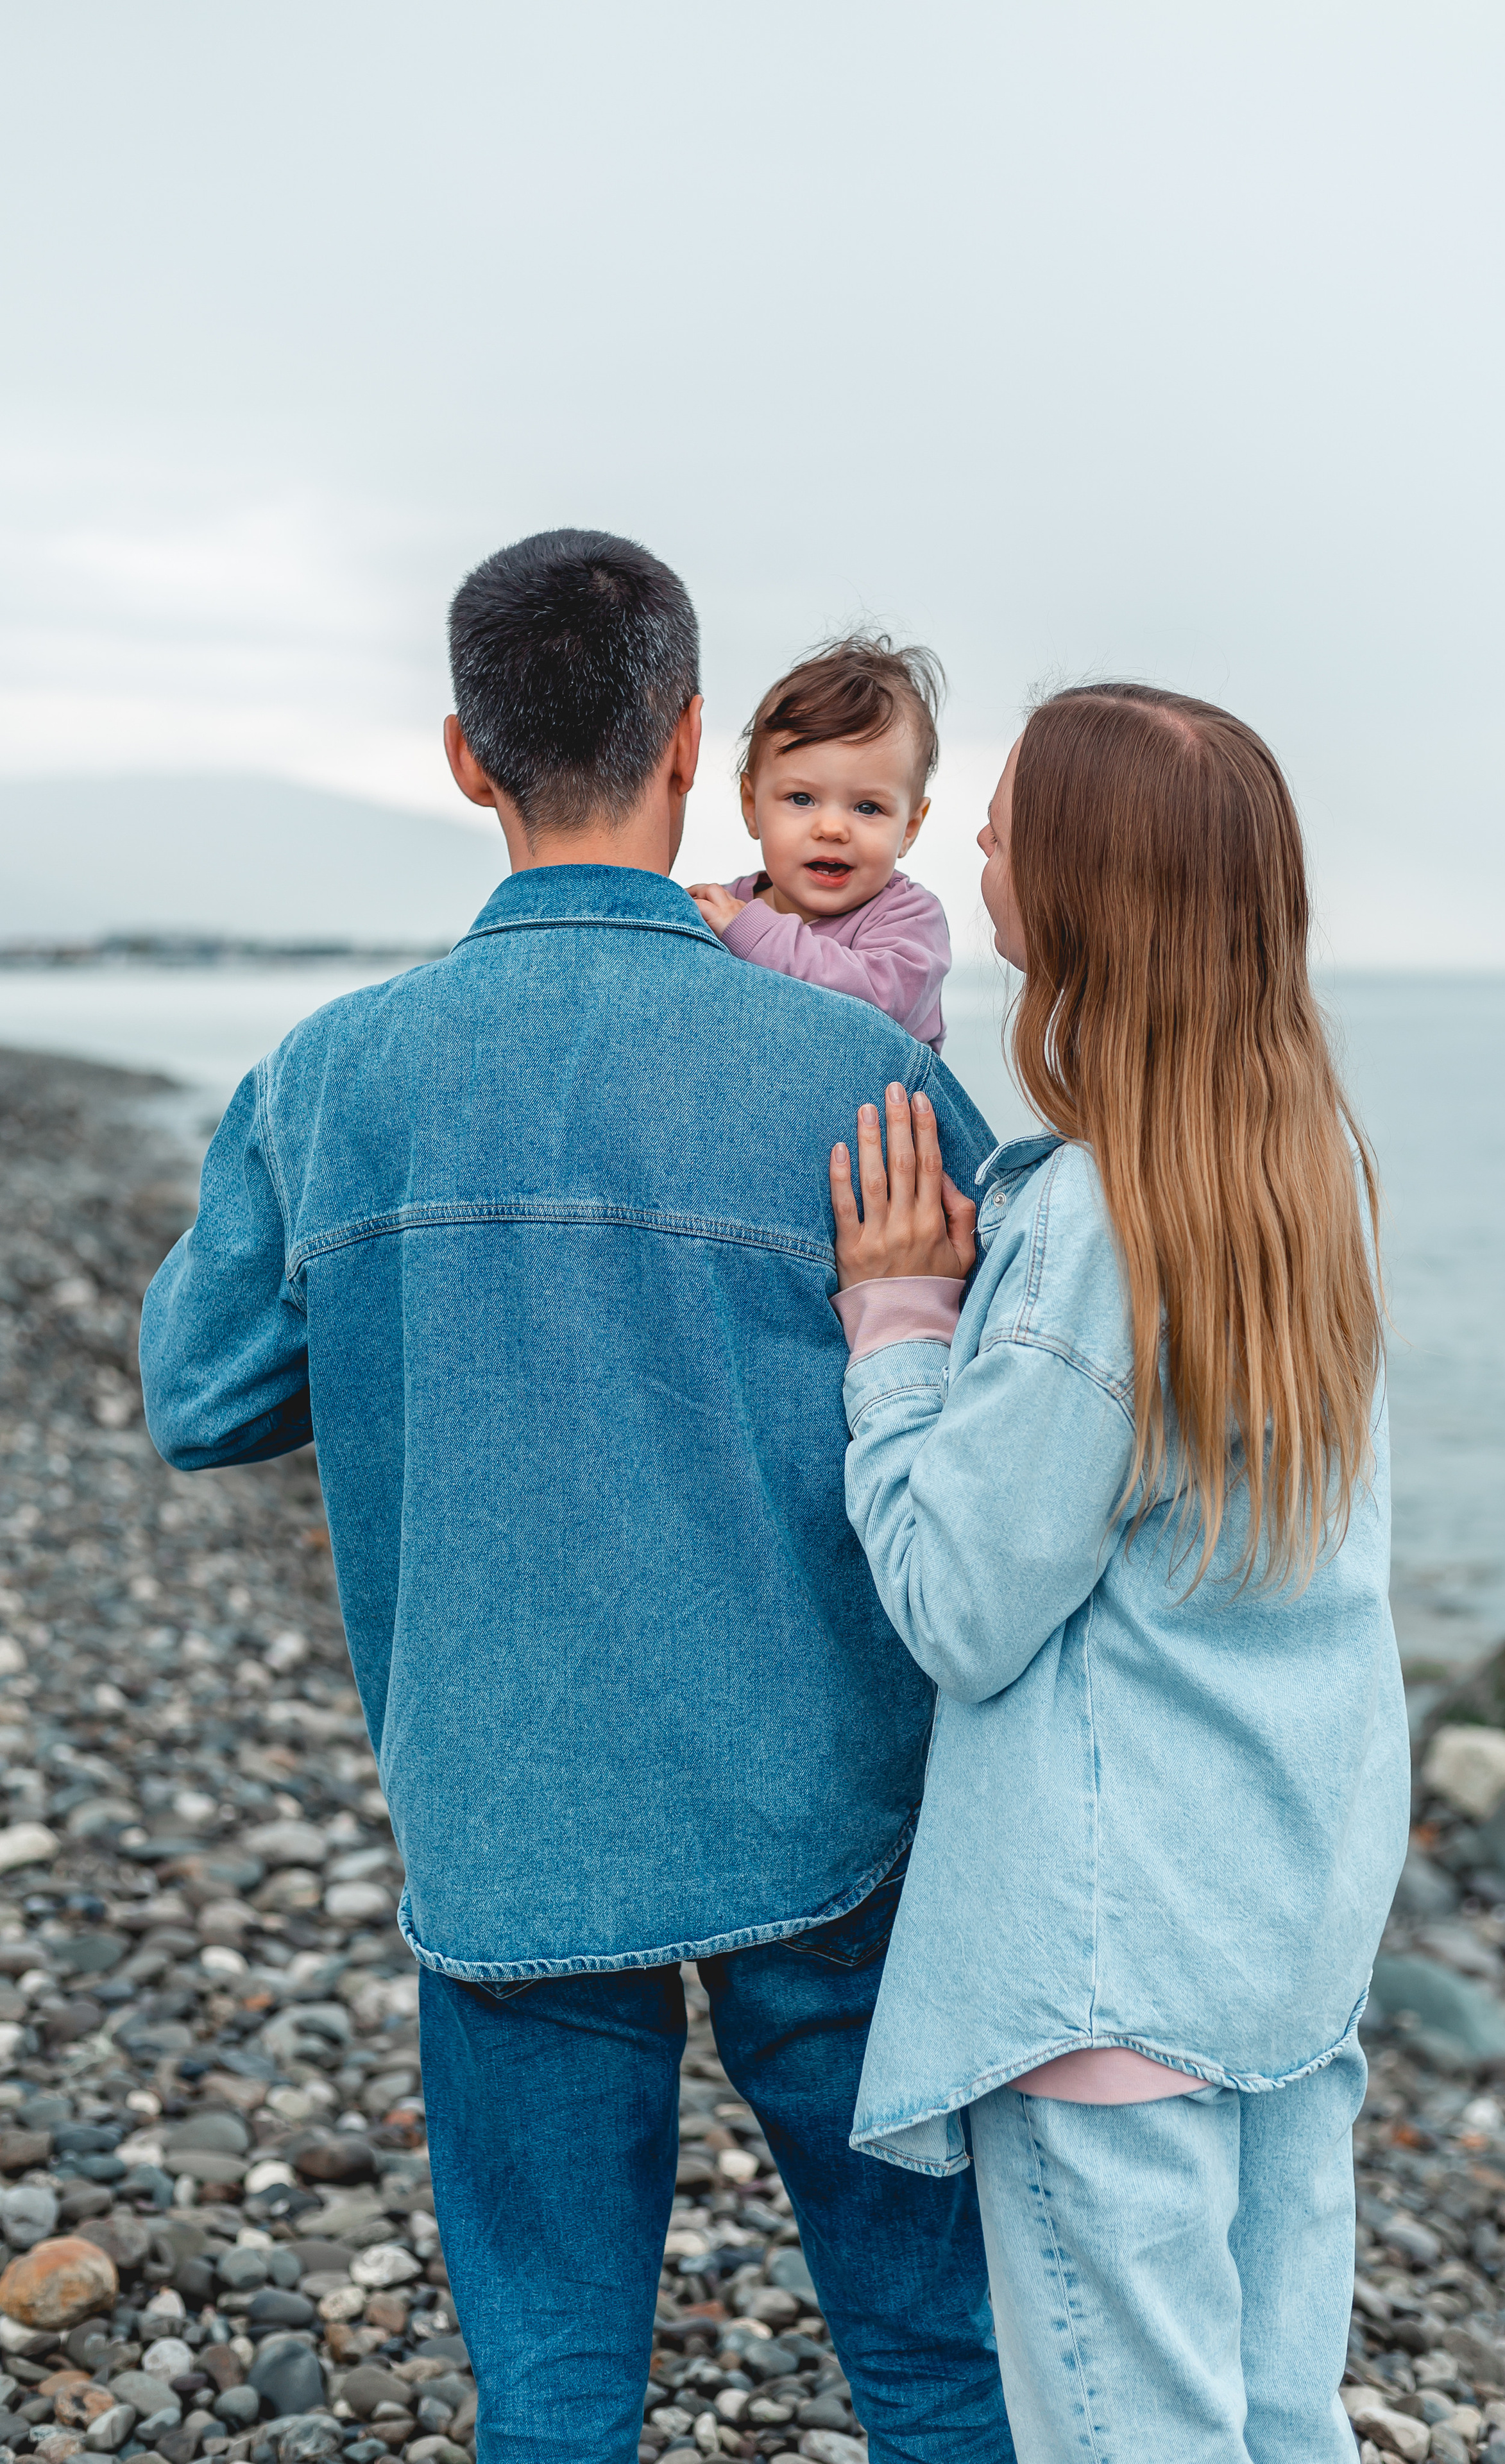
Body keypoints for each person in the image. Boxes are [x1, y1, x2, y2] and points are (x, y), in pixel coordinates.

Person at [138, 529, 1014, 2464]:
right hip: (830, 1802)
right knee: (938, 2363)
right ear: (695, 742)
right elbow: (1012, 1417)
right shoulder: (858, 1070)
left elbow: (201, 1396)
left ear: (464, 753)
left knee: (550, 2396)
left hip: (503, 1801)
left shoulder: (327, 1075)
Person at [822, 685, 1409, 2463]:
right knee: (1276, 2421)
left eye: (1002, 823)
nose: (972, 846)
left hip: (1111, 1963)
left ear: (1079, 891)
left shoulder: (1093, 1225)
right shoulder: (1305, 1174)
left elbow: (962, 1609)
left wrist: (901, 1329)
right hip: (1285, 1937)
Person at [688, 635, 952, 1048]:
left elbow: (878, 1006)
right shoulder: (720, 911)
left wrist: (754, 934)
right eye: (801, 799)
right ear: (752, 805)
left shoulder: (909, 919)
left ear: (911, 826)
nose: (832, 829)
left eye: (867, 808)